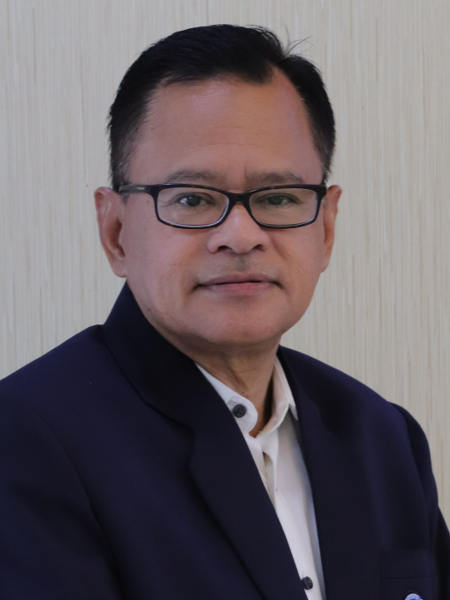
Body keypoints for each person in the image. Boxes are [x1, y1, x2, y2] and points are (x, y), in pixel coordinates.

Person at [0, 24, 448, 600]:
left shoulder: (385, 440)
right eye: (192, 198)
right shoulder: (26, 440)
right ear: (115, 232)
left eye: (279, 198)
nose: (241, 235)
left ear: (326, 228)